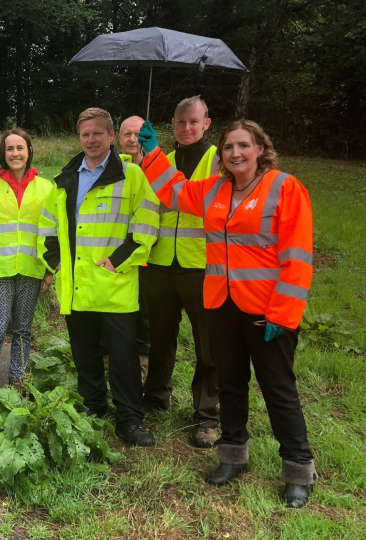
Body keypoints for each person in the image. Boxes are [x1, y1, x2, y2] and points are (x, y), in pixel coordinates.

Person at [139, 119, 316, 508]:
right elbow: (174, 193)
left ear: (260, 149)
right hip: (221, 305)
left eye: (243, 145)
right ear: (221, 155)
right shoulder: (215, 190)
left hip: (267, 313)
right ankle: (232, 457)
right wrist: (151, 153)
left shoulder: (285, 188)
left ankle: (299, 471)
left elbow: (298, 259)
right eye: (228, 147)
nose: (235, 153)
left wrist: (283, 315)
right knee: (231, 385)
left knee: (279, 391)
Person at [38, 108, 160, 447]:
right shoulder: (64, 179)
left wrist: (119, 259)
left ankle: (129, 420)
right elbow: (47, 226)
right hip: (76, 287)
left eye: (97, 133)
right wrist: (54, 260)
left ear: (111, 137)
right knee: (86, 356)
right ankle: (93, 411)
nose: (91, 140)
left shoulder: (132, 176)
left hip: (115, 286)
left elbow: (147, 222)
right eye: (85, 135)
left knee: (123, 358)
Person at [140, 96, 221, 449]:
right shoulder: (164, 161)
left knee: (208, 345)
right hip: (160, 264)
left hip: (200, 265)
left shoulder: (218, 160)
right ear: (172, 125)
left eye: (193, 122)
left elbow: (208, 205)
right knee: (159, 338)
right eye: (180, 122)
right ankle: (156, 398)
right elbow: (149, 210)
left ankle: (207, 417)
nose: (186, 128)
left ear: (207, 124)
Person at [0, 128, 54, 398]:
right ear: (3, 154)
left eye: (20, 148)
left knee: (23, 330)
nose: (15, 153)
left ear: (29, 151)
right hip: (0, 271)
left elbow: (52, 232)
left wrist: (50, 269)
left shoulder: (46, 188)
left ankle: (18, 380)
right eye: (9, 149)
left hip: (31, 269)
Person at [117, 115, 150, 376]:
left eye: (138, 133)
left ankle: (144, 365)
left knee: (147, 316)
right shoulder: (113, 170)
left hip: (152, 258)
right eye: (127, 134)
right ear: (118, 138)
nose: (132, 139)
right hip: (119, 257)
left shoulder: (160, 167)